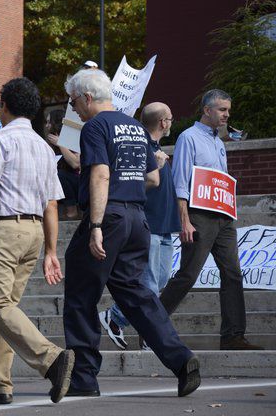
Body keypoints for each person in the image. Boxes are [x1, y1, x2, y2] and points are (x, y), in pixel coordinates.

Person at [62, 68, 199, 398]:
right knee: (138, 296)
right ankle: (181, 360)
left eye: (74, 101)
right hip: (137, 219)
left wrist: (94, 226)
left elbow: (99, 175)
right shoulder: (137, 127)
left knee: (81, 295)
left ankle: (83, 378)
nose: (73, 108)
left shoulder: (95, 126)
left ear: (88, 97)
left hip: (108, 216)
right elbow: (152, 178)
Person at [0, 77, 75, 405]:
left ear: (6, 106)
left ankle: (50, 358)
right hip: (35, 231)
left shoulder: (1, 139)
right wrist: (51, 250)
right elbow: (52, 203)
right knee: (4, 308)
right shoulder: (42, 145)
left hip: (5, 230)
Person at [159, 89, 262, 351]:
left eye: (228, 110)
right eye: (222, 110)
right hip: (198, 216)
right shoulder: (188, 138)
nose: (227, 115)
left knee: (233, 274)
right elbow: (180, 182)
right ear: (207, 110)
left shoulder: (218, 141)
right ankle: (152, 326)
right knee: (188, 275)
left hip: (223, 218)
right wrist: (184, 220)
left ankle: (233, 336)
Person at [98, 102, 181, 350]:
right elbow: (129, 182)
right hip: (150, 222)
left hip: (166, 224)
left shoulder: (155, 148)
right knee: (149, 285)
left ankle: (132, 325)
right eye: (170, 119)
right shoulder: (140, 144)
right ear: (162, 122)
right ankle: (118, 318)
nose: (171, 123)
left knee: (162, 280)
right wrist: (155, 167)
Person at [44, 109, 81, 219]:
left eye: (49, 122)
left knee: (61, 175)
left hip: (76, 182)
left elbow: (75, 163)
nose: (46, 126)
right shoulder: (49, 143)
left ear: (56, 123)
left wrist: (61, 143)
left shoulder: (72, 138)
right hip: (60, 187)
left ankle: (72, 209)